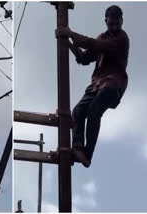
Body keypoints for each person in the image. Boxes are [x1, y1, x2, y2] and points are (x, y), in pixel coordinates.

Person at [55, 5, 130, 167]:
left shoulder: (121, 39)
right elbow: (84, 58)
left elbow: (93, 44)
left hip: (113, 84)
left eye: (117, 24)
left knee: (94, 110)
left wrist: (70, 34)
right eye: (111, 24)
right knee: (78, 111)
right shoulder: (102, 37)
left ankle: (87, 154)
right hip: (96, 85)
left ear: (121, 21)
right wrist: (68, 42)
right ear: (106, 22)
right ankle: (78, 148)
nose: (115, 27)